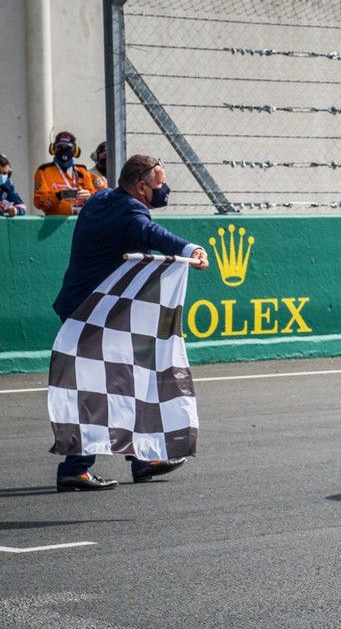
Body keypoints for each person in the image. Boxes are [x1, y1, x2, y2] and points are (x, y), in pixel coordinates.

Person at [51, 154, 210, 491]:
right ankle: (75, 468)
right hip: (93, 312)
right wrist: (190, 249)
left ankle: (142, 458)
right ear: (141, 187)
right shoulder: (130, 211)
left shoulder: (103, 197)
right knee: (102, 389)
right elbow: (149, 232)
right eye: (159, 182)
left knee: (130, 379)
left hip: (91, 308)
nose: (164, 188)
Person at [33, 131, 103, 215]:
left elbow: (96, 200)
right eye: (60, 147)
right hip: (54, 223)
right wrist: (59, 195)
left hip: (82, 221)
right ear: (53, 149)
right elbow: (39, 202)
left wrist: (89, 197)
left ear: (75, 151)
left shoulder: (82, 171)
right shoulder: (44, 171)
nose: (64, 151)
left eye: (68, 148)